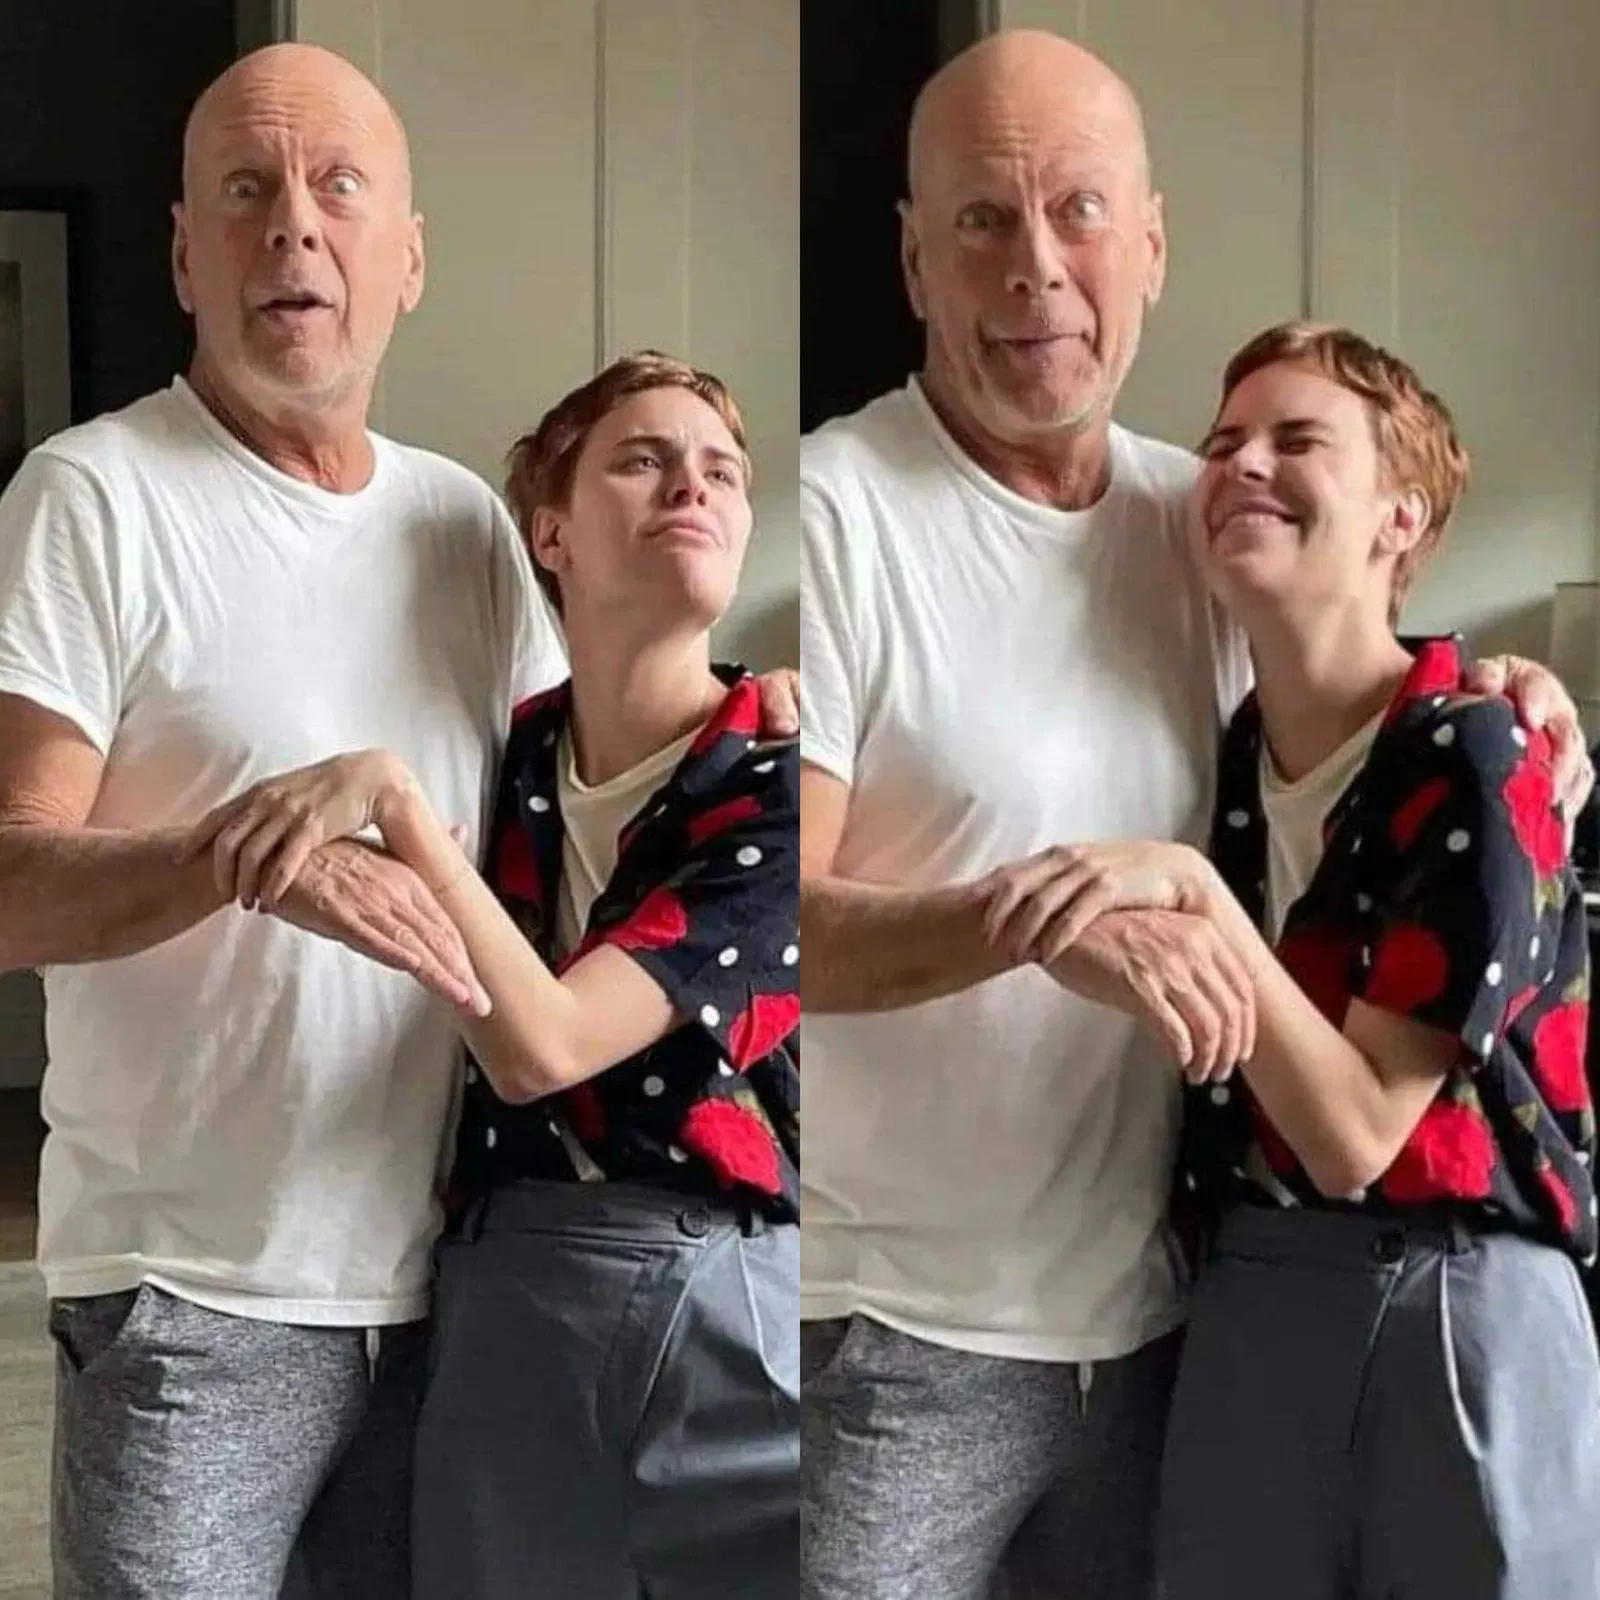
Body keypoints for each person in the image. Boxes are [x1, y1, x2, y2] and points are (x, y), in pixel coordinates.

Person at [798, 28, 1592, 1600]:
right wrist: (1035, 926)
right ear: (914, 259)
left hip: (1175, 1331)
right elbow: (782, 926)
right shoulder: (838, 513)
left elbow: (1364, 662)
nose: (1036, 266)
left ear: (1151, 246)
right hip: (894, 1339)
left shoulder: (1202, 519)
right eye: (981, 219)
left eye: (1079, 210)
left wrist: (1515, 690)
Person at [0, 44, 796, 1599]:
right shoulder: (90, 498)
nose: (295, 224)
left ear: (408, 259)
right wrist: (251, 863)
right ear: (186, 254)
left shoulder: (462, 529)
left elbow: (588, 815)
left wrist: (766, 723)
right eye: (247, 189)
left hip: (455, 1291)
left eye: (338, 187)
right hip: (195, 1300)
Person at [982, 321, 1600, 1598]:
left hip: (1456, 1300)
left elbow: (1356, 1133)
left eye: (1296, 439)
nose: (1241, 463)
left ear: (1398, 518)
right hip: (1244, 1301)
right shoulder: (1218, 760)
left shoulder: (1477, 751)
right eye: (1222, 443)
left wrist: (1199, 899)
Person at [191, 351, 801, 1598]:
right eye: (643, 460)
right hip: (506, 1283)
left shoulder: (786, 784)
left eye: (722, 471)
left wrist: (392, 799)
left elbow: (545, 1046)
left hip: (729, 1289)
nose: (692, 486)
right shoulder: (500, 753)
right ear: (551, 533)